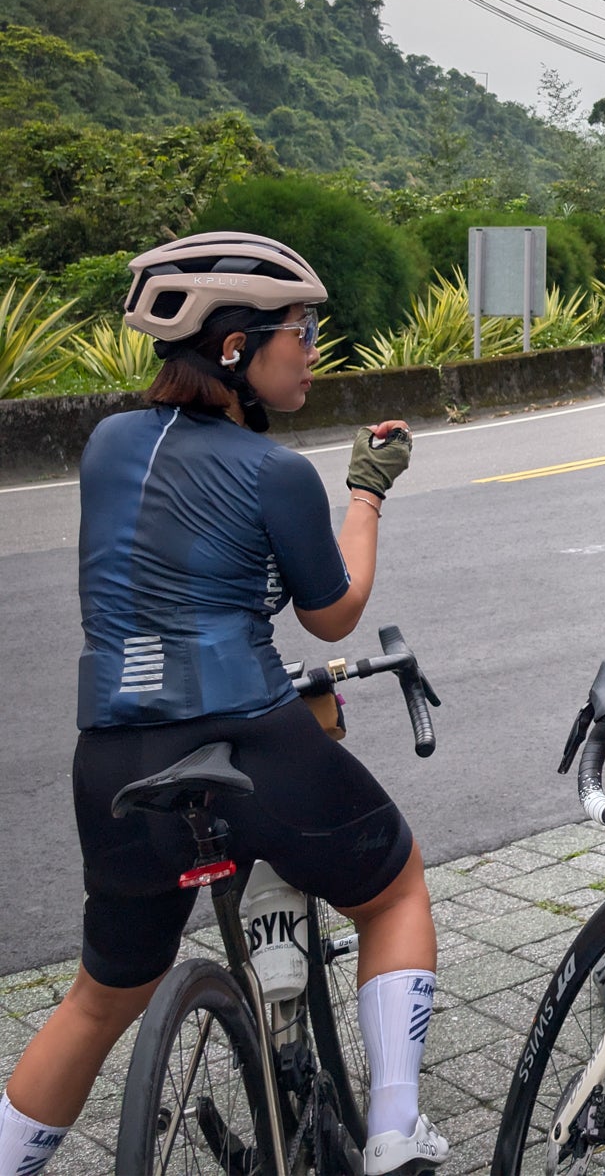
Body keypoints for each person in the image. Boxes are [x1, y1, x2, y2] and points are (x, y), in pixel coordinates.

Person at [0, 233, 444, 1176]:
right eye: (303, 328)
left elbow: (166, 577)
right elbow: (333, 616)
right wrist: (364, 494)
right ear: (236, 347)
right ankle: (396, 1132)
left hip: (112, 752)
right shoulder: (275, 472)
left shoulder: (107, 443)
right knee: (396, 889)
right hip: (247, 735)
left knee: (100, 996)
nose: (315, 347)